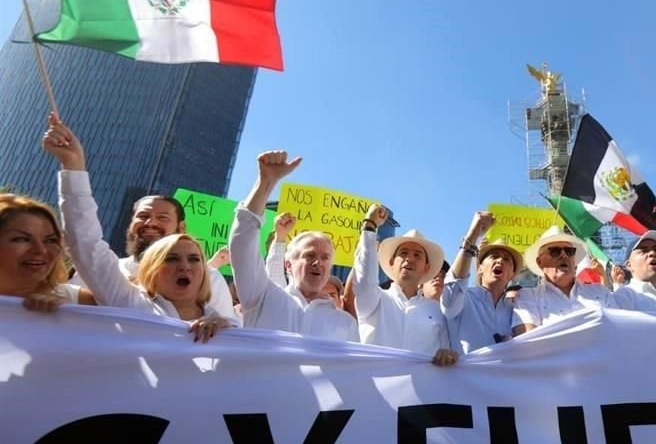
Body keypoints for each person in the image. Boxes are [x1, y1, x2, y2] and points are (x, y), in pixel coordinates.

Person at [43, 116, 231, 342]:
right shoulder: (129, 297)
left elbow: (244, 349)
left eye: (194, 259)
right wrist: (74, 165)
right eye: (143, 216)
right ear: (148, 276)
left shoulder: (214, 285)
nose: (185, 267)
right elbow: (85, 242)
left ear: (181, 227)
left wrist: (226, 328)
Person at [229, 151, 358, 341]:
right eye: (309, 256)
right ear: (288, 264)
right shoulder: (262, 297)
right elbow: (242, 245)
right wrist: (266, 182)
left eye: (325, 258)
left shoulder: (346, 324)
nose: (318, 263)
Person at [354, 205, 456, 365]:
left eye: (417, 255)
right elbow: (364, 276)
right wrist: (369, 227)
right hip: (373, 388)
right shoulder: (374, 300)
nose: (409, 259)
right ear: (391, 262)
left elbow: (447, 354)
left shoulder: (437, 311)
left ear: (426, 268)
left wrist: (448, 355)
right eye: (403, 253)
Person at [442, 211, 523, 353]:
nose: (500, 261)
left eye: (506, 259)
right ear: (479, 269)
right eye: (494, 256)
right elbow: (452, 291)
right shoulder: (463, 299)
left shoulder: (517, 310)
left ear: (512, 275)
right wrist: (473, 237)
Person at [0, 193, 96, 311]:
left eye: (50, 240)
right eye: (22, 239)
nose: (41, 250)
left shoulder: (81, 302)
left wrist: (68, 316)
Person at [511, 226, 611, 335]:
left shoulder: (601, 292)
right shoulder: (528, 297)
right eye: (555, 251)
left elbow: (618, 332)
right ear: (540, 262)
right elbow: (528, 343)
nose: (564, 255)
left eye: (569, 251)